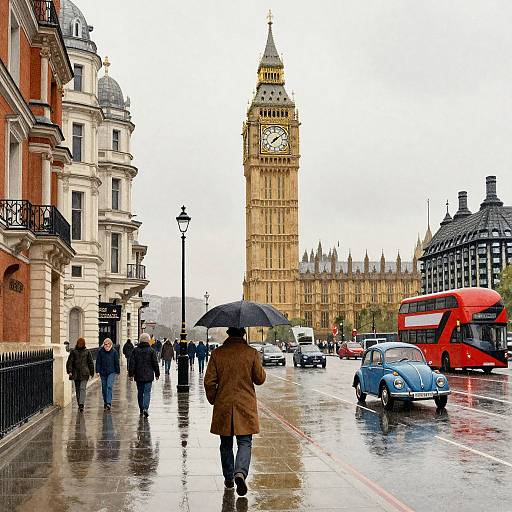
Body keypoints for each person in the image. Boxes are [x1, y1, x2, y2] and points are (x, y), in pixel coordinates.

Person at [204, 327, 266, 496]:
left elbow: (209, 382)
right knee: (245, 442)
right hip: (245, 405)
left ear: (228, 334)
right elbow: (259, 379)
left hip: (224, 404)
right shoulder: (251, 353)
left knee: (225, 444)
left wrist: (214, 399)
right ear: (243, 334)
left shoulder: (217, 353)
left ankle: (229, 478)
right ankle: (240, 472)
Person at [128, 332, 160, 417]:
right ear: (148, 341)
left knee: (140, 392)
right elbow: (155, 363)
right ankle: (146, 407)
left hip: (138, 375)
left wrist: (131, 374)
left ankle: (141, 408)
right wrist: (157, 373)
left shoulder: (135, 350)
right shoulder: (151, 350)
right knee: (147, 392)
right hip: (149, 375)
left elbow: (132, 363)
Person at [66, 337, 95, 412]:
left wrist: (92, 372)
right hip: (76, 373)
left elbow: (90, 363)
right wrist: (69, 371)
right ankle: (80, 404)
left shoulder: (87, 352)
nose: (80, 345)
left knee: (82, 388)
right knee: (78, 389)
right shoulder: (73, 352)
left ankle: (81, 404)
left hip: (85, 373)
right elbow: (70, 362)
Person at [95, 338, 120, 410]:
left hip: (111, 372)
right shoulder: (100, 351)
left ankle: (109, 403)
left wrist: (118, 371)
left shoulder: (114, 352)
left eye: (108, 344)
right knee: (104, 388)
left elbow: (116, 362)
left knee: (109, 386)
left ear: (111, 344)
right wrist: (97, 371)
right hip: (103, 372)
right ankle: (105, 401)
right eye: (105, 344)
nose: (106, 345)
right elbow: (98, 362)